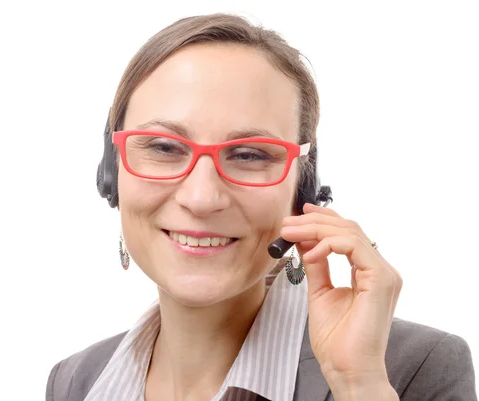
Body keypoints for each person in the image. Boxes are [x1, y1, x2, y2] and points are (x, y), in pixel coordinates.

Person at [47, 13, 477, 401]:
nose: (201, 198)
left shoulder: (412, 370)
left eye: (250, 155)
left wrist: (358, 385)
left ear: (302, 189)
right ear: (112, 174)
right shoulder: (75, 381)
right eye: (163, 146)